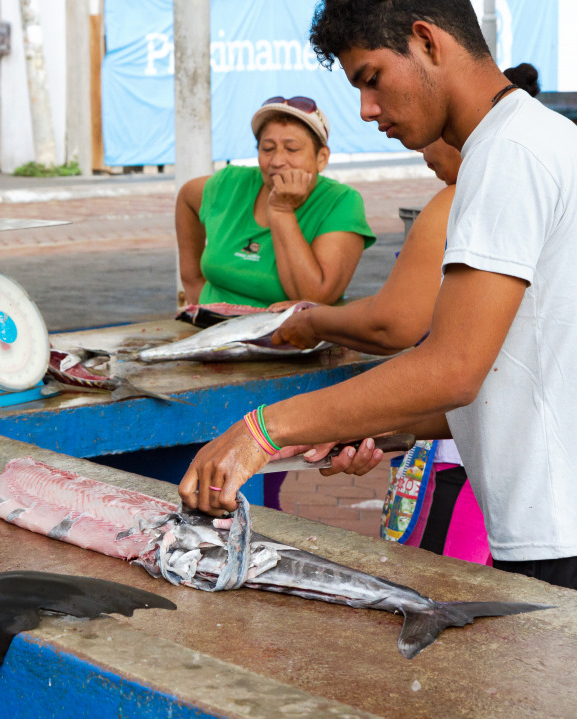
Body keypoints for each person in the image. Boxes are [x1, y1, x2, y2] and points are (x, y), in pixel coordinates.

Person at [179, 0, 577, 590]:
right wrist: (393, 424)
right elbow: (533, 376)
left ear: (427, 41)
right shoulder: (544, 137)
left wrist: (263, 429)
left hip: (554, 527)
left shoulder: (506, 156)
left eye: (372, 79)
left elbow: (454, 368)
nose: (367, 110)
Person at [272, 139, 489, 564]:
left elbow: (393, 322)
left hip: (465, 469)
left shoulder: (461, 196)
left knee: (443, 597)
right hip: (488, 450)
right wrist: (372, 424)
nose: (372, 116)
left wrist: (314, 320)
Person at [175, 96, 375, 308]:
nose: (277, 161)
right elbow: (187, 196)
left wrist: (281, 210)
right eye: (267, 148)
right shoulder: (231, 184)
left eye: (292, 149)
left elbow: (314, 299)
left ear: (321, 158)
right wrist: (193, 284)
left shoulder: (340, 202)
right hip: (211, 331)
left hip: (285, 337)